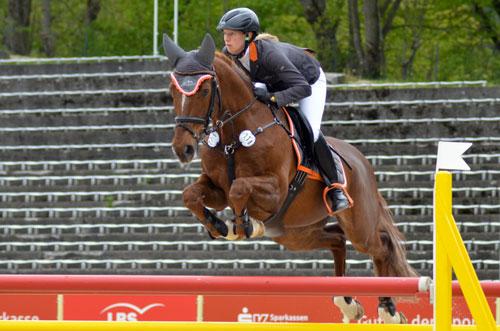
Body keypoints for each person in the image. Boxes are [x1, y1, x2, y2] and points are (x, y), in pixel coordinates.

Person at [216, 7, 350, 214]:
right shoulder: (229, 56)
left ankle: (335, 186)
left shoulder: (269, 55)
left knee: (311, 132)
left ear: (248, 35)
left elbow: (302, 88)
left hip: (308, 81)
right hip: (274, 83)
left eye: (232, 34)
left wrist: (273, 99)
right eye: (225, 34)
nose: (227, 39)